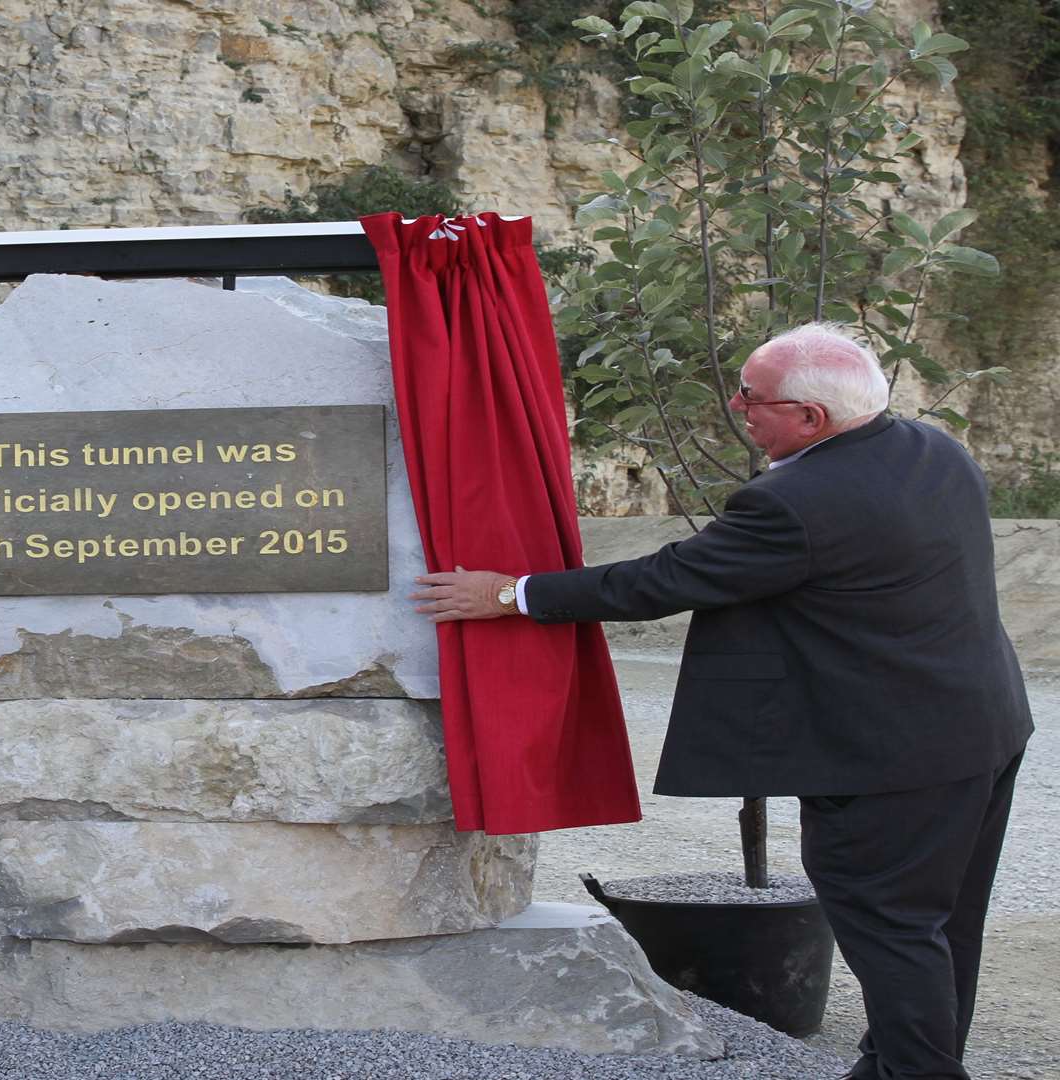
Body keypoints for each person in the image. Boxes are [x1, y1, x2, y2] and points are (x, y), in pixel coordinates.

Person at [413, 323, 1032, 1080]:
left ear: (812, 419)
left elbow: (663, 580)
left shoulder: (799, 501)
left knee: (894, 930)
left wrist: (511, 593)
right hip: (982, 726)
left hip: (886, 757)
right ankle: (896, 1062)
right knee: (941, 925)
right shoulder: (933, 450)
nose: (737, 405)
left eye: (752, 397)